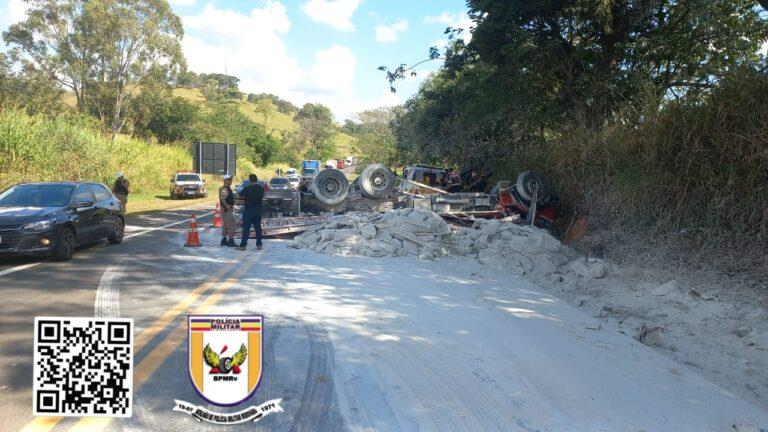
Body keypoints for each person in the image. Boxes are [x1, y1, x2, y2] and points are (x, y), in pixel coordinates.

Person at [236, 174, 264, 251]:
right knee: (258, 228)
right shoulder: (260, 188)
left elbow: (240, 194)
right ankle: (259, 245)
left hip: (248, 210)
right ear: (257, 180)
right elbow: (262, 196)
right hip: (258, 210)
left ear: (249, 180)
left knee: (246, 228)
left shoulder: (247, 188)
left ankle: (243, 246)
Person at [219, 175, 236, 247]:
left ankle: (224, 240)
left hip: (227, 209)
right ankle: (230, 241)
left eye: (231, 179)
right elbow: (222, 199)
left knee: (225, 226)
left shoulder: (228, 188)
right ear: (225, 180)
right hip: (226, 210)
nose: (231, 181)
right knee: (231, 225)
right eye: (229, 179)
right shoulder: (224, 189)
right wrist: (227, 207)